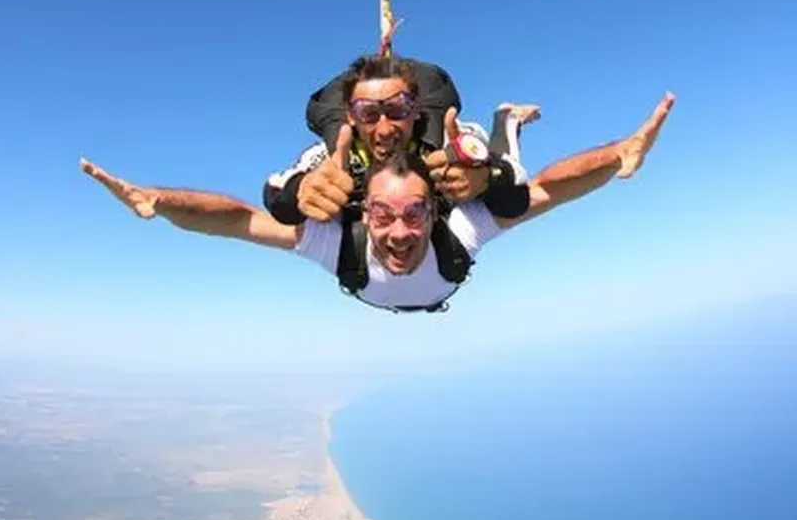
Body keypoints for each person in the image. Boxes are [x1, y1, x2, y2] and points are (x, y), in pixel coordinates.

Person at [80, 91, 675, 314]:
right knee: (510, 192)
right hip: (370, 182)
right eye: (384, 215)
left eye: (414, 214)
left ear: (432, 212)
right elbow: (239, 219)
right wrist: (159, 202)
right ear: (364, 214)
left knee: (507, 182)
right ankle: (497, 123)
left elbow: (549, 188)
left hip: (451, 179)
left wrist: (620, 156)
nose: (398, 232)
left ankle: (504, 122)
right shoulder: (343, 239)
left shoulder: (455, 227)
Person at [264, 54, 539, 226]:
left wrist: (487, 179)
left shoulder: (449, 139)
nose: (384, 130)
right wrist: (300, 190)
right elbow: (275, 189)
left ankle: (507, 118)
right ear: (350, 117)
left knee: (501, 164)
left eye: (397, 109)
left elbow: (517, 195)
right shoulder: (335, 154)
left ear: (417, 109)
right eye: (368, 113)